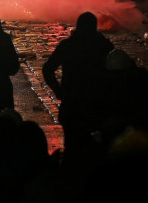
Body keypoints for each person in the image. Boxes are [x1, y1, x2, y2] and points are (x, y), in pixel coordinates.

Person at [42, 11, 113, 151]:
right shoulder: (104, 46)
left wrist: (58, 90)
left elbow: (48, 69)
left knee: (73, 149)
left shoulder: (68, 45)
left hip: (73, 104)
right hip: (96, 105)